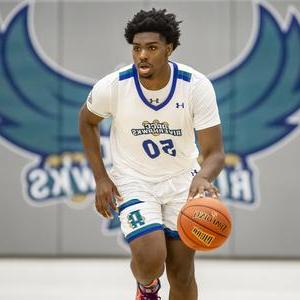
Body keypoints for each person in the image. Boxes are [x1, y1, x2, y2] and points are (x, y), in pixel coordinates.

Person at [79, 8, 225, 300]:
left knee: (182, 273)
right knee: (150, 260)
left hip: (182, 181)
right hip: (134, 180)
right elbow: (86, 121)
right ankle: (146, 288)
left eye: (152, 48)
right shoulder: (114, 86)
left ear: (168, 49)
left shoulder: (195, 86)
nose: (142, 55)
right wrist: (101, 178)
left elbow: (215, 153)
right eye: (137, 48)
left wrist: (204, 178)